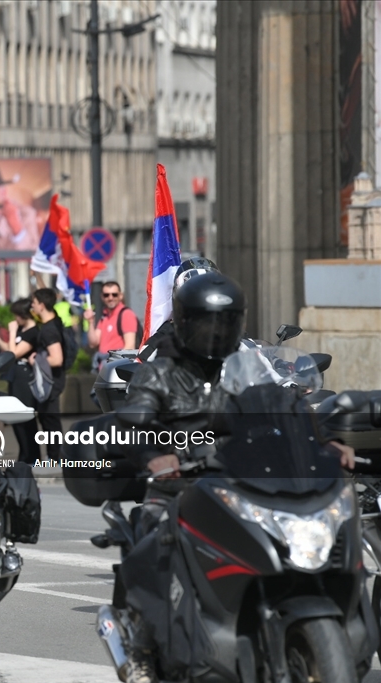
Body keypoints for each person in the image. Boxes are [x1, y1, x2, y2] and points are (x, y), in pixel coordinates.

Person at [117, 272, 354, 682]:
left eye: (226, 323)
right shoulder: (159, 373)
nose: (217, 332)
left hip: (239, 476)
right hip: (180, 483)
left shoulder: (248, 366)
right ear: (186, 323)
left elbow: (283, 406)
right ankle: (142, 647)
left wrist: (324, 443)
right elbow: (132, 426)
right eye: (208, 322)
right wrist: (154, 455)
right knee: (152, 538)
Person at [10, 289, 66, 462]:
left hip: (49, 382)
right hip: (51, 380)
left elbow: (56, 359)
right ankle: (53, 457)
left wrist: (38, 360)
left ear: (41, 305)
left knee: (50, 422)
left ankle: (56, 459)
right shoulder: (54, 322)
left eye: (34, 303)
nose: (32, 306)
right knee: (47, 420)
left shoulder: (49, 330)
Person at [137, 257, 218, 363]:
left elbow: (245, 355)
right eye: (195, 297)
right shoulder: (166, 335)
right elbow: (141, 366)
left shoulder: (231, 331)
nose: (202, 305)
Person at [1, 298, 40, 463]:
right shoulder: (21, 332)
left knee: (25, 419)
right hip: (15, 375)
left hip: (25, 377)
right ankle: (24, 453)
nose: (15, 319)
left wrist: (11, 332)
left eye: (17, 315)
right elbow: (10, 351)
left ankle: (31, 455)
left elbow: (14, 353)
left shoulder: (32, 332)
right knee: (16, 419)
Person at [83, 281, 138, 368]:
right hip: (105, 370)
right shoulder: (104, 316)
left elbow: (129, 347)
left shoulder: (126, 314)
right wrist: (90, 322)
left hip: (119, 369)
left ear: (120, 296)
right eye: (106, 295)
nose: (110, 298)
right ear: (102, 297)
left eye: (114, 294)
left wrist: (110, 363)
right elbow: (93, 343)